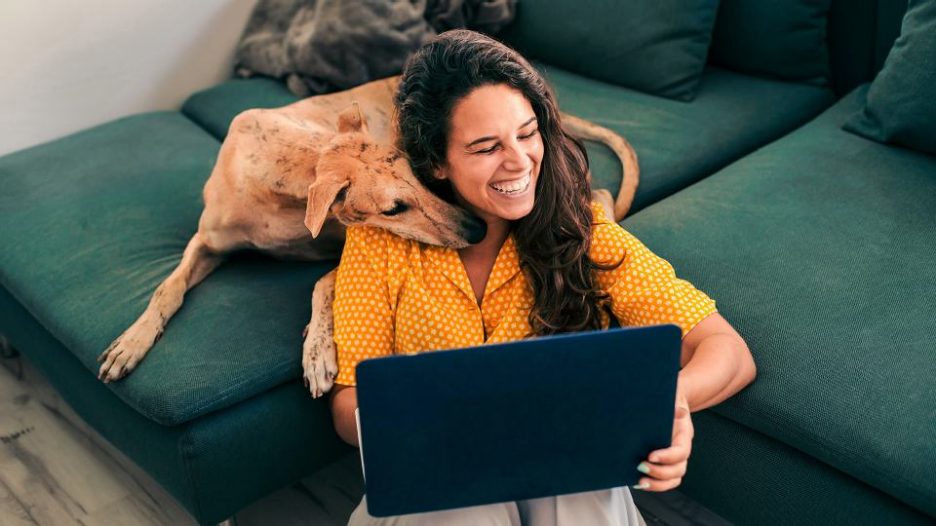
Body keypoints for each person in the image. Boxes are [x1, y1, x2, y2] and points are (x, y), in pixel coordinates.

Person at [327, 29, 757, 526]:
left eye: (527, 134)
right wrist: (429, 423)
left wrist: (663, 405)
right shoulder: (381, 241)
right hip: (441, 467)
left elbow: (728, 351)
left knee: (583, 495)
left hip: (563, 467)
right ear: (438, 163)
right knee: (463, 507)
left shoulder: (582, 232)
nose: (519, 161)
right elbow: (348, 405)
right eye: (486, 147)